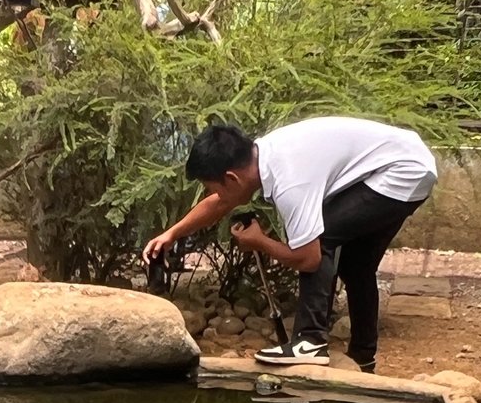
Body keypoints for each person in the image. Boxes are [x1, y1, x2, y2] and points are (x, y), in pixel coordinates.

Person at [142, 115, 438, 372]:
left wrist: (260, 242)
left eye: (212, 187)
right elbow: (220, 203)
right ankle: (363, 358)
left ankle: (309, 342)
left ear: (231, 178)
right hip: (408, 163)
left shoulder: (290, 181)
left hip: (401, 172)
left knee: (322, 238)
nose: (214, 195)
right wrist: (172, 234)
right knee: (355, 265)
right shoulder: (262, 157)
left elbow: (309, 258)